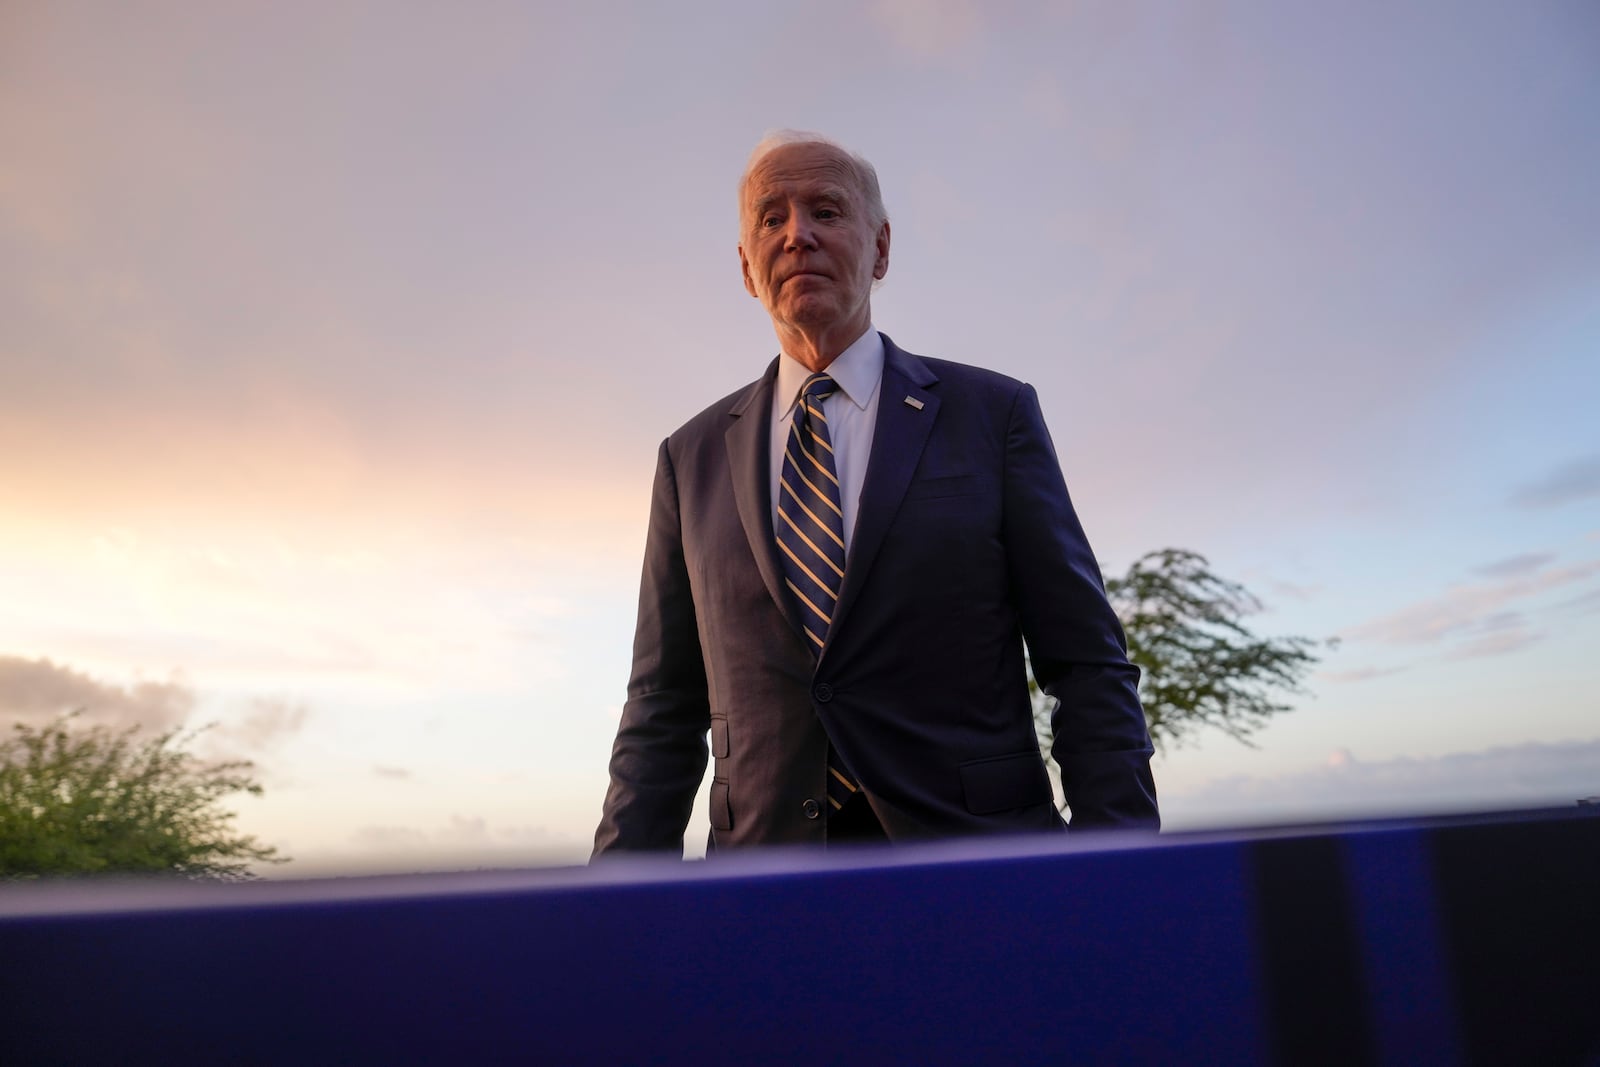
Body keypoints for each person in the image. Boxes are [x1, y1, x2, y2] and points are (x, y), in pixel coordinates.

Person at [593, 131, 1157, 854]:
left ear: (881, 248)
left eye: (826, 210)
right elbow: (662, 706)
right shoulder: (690, 457)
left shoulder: (994, 416)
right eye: (772, 218)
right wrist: (615, 901)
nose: (797, 234)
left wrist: (1120, 866)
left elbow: (1086, 663)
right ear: (746, 268)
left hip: (977, 872)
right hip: (762, 889)